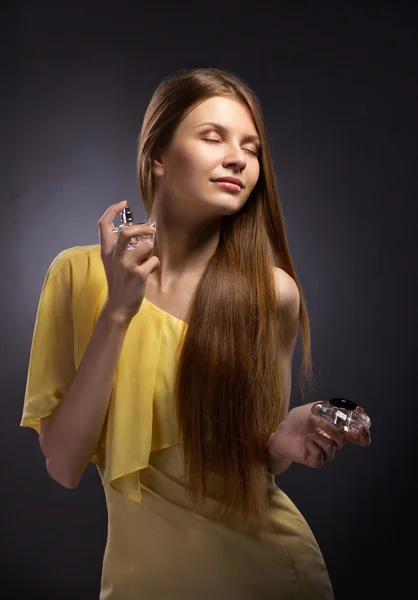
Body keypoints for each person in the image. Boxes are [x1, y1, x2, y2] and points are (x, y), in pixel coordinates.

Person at [21, 67, 371, 600]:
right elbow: (64, 463)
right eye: (213, 137)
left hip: (269, 575)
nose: (238, 158)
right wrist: (117, 310)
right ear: (158, 156)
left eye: (251, 148)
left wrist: (286, 435)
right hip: (141, 584)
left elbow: (262, 455)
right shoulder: (76, 276)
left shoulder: (271, 293)